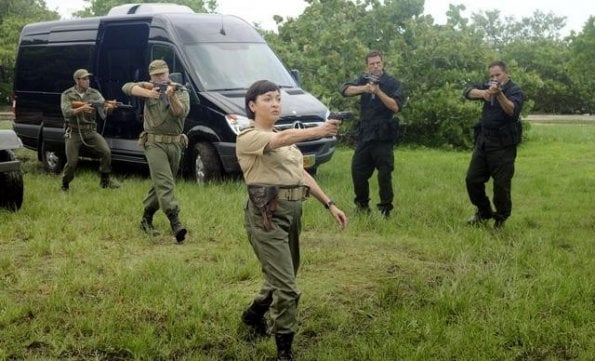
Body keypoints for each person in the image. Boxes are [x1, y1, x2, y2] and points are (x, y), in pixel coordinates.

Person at [236, 80, 348, 361]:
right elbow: (281, 139)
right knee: (287, 287)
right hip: (266, 215)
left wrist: (329, 204)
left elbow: (302, 175)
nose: (275, 104)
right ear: (252, 105)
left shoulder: (283, 141)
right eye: (267, 99)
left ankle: (253, 314)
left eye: (277, 98)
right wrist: (320, 130)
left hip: (292, 211)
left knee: (283, 276)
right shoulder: (248, 136)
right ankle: (284, 352)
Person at [122, 60, 190, 242]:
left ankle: (146, 218)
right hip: (153, 143)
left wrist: (172, 96)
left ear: (169, 74)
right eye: (156, 75)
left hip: (175, 144)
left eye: (163, 74)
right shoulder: (148, 90)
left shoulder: (181, 91)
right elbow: (127, 87)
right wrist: (148, 92)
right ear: (151, 77)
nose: (160, 77)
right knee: (165, 183)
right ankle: (176, 223)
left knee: (161, 183)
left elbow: (180, 113)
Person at [340, 50, 404, 218]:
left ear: (382, 63)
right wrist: (365, 88)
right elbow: (345, 90)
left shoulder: (392, 83)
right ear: (367, 66)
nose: (375, 66)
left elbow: (395, 106)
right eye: (371, 64)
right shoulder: (364, 80)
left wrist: (378, 92)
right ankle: (362, 207)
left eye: (378, 63)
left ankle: (385, 210)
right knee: (357, 170)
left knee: (384, 174)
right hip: (365, 134)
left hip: (383, 136)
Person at [463, 60, 525, 229]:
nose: (494, 78)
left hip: (504, 145)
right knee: (472, 180)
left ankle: (500, 218)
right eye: (491, 75)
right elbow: (467, 91)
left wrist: (499, 94)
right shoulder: (488, 85)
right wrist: (483, 93)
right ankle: (483, 212)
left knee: (501, 185)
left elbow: (512, 111)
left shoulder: (515, 90)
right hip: (484, 141)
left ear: (506, 74)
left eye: (497, 75)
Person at [60, 69, 120, 191]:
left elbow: (104, 108)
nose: (88, 81)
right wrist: (81, 108)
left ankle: (105, 180)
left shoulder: (94, 93)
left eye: (88, 78)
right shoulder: (67, 94)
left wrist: (110, 107)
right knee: (72, 162)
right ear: (77, 81)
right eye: (85, 79)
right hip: (74, 132)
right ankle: (65, 184)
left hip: (90, 131)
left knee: (106, 152)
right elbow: (66, 112)